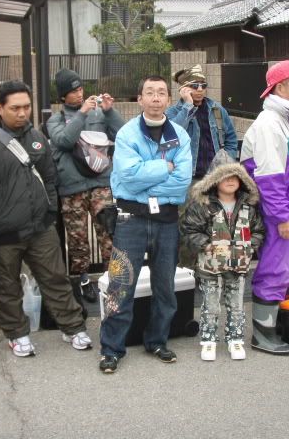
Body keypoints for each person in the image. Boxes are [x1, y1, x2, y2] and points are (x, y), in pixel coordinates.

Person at [0, 80, 91, 357]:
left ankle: (72, 327)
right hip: (2, 232)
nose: (22, 113)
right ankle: (17, 334)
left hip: (40, 228)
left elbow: (50, 177)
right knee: (6, 286)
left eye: (26, 107)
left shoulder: (37, 137)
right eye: (15, 108)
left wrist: (50, 213)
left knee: (55, 279)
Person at [98, 75, 192, 373]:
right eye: (149, 92)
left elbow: (182, 181)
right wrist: (165, 167)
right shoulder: (127, 134)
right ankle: (111, 348)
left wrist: (146, 180)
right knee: (120, 285)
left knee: (165, 287)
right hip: (131, 221)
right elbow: (128, 176)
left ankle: (157, 340)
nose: (155, 98)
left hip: (167, 222)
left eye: (161, 92)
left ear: (169, 99)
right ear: (139, 99)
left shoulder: (180, 135)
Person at [239, 60, 289, 355]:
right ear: (280, 88)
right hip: (278, 213)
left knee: (283, 267)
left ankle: (270, 327)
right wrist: (282, 217)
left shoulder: (288, 119)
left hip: (287, 211)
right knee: (274, 268)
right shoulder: (271, 123)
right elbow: (269, 177)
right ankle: (263, 334)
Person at [47, 68, 124, 303]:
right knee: (77, 238)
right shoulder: (55, 120)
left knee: (109, 232)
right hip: (72, 188)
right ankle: (83, 280)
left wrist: (109, 111)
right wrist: (81, 114)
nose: (79, 94)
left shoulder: (99, 113)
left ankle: (112, 279)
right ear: (63, 96)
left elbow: (122, 134)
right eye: (73, 91)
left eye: (80, 89)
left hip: (101, 182)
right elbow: (64, 140)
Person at [180, 150, 265, 361]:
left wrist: (250, 246)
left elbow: (258, 230)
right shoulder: (203, 205)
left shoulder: (248, 206)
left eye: (235, 176)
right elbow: (189, 229)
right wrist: (206, 245)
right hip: (210, 266)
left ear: (241, 180)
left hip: (239, 265)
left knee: (236, 305)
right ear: (214, 181)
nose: (230, 180)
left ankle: (235, 339)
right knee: (210, 305)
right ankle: (208, 340)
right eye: (224, 176)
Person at [166, 64, 238, 180]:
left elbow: (231, 139)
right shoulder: (173, 113)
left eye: (203, 85)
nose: (200, 89)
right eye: (194, 85)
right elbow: (172, 137)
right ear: (183, 89)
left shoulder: (217, 110)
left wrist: (227, 162)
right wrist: (188, 105)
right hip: (188, 178)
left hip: (216, 177)